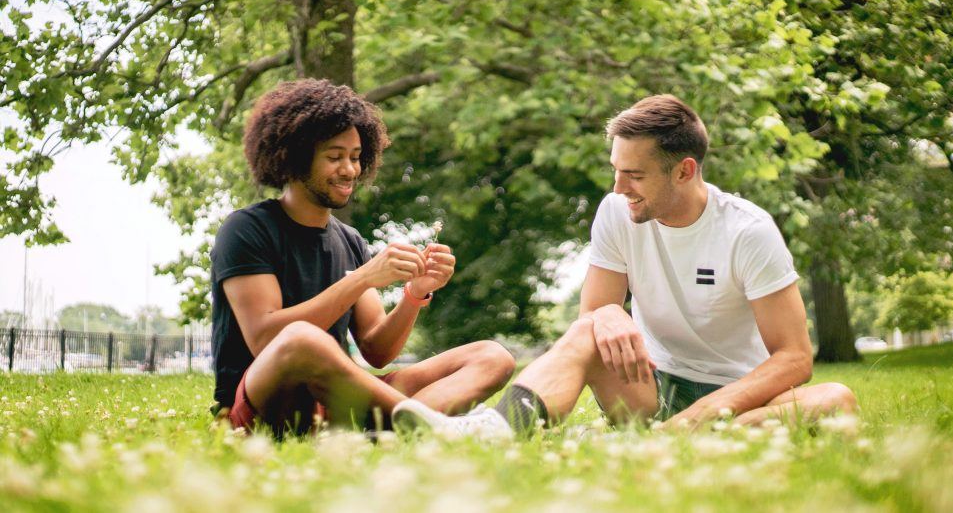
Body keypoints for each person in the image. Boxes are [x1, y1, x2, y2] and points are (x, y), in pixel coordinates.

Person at [392, 94, 857, 438]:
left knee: (836, 400)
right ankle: (494, 430)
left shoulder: (747, 231)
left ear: (684, 170)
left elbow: (794, 358)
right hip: (650, 385)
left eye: (634, 175)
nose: (618, 187)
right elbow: (591, 320)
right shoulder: (616, 211)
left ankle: (684, 437)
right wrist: (609, 314)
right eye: (616, 169)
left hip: (740, 394)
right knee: (585, 333)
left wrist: (699, 415)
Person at [209, 79, 515, 436]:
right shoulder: (246, 229)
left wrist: (415, 294)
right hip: (262, 405)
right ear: (293, 158)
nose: (350, 170)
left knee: (492, 356)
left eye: (355, 157)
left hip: (334, 404)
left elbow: (377, 350)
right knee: (301, 339)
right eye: (334, 157)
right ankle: (436, 427)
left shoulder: (349, 240)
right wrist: (362, 278)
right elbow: (265, 340)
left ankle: (394, 427)